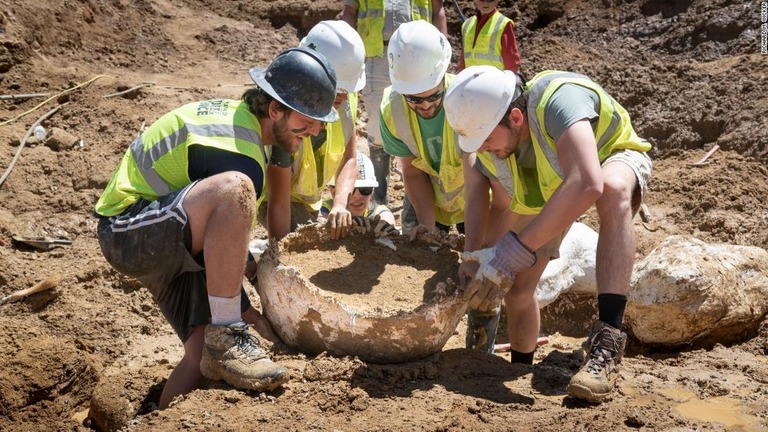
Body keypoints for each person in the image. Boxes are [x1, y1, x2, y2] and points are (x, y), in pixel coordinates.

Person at [93, 47, 339, 409]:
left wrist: (245, 302)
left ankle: (155, 419)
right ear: (274, 110)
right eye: (308, 120)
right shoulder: (239, 153)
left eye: (320, 121)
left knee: (200, 359)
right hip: (128, 229)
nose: (317, 130)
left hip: (168, 236)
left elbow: (220, 242)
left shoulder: (247, 124)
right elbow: (219, 240)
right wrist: (243, 312)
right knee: (236, 189)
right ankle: (227, 332)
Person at [444, 65, 652, 403]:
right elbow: (478, 190)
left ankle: (608, 343)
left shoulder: (558, 100)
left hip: (609, 158)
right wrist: (472, 256)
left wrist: (516, 249)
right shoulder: (487, 136)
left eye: (485, 140)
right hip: (555, 186)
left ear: (514, 117)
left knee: (613, 190)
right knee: (518, 291)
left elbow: (587, 183)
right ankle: (518, 369)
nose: (480, 149)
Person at [261, 20, 366, 240]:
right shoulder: (290, 106)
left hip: (310, 201)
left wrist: (339, 204)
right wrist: (279, 253)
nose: (343, 97)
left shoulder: (346, 99)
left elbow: (350, 159)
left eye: (347, 91)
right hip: (276, 197)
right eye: (337, 91)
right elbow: (278, 199)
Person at [342, 0, 448, 206]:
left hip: (421, 59)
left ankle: (416, 204)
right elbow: (350, 11)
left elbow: (438, 11)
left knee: (417, 125)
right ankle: (377, 198)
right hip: (377, 54)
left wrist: (441, 54)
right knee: (378, 126)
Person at [380, 20, 466, 238]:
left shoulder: (466, 100)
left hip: (476, 196)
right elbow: (412, 171)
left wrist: (475, 243)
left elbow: (480, 173)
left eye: (434, 96)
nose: (425, 105)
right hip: (432, 195)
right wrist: (427, 226)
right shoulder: (393, 111)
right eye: (414, 99)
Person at [320, 153, 397, 232]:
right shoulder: (324, 210)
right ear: (333, 193)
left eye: (365, 189)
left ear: (372, 193)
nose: (357, 196)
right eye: (350, 190)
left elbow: (388, 222)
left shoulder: (380, 213)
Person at [458, 0, 520, 72]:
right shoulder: (467, 25)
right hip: (470, 78)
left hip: (494, 80)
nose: (485, 3)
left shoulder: (504, 24)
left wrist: (512, 78)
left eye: (490, 0)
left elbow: (511, 60)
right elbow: (463, 58)